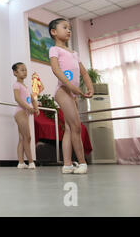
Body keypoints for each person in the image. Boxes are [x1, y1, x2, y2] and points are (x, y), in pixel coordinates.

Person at [48, 18, 93, 174]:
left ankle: (67, 165)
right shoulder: (55, 50)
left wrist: (90, 87)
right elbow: (56, 70)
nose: (69, 30)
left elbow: (84, 72)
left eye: (70, 28)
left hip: (72, 93)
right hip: (62, 91)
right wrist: (72, 87)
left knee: (68, 128)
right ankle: (82, 163)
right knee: (76, 127)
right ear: (54, 32)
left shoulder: (74, 53)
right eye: (65, 27)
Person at [12, 62, 39, 169]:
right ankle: (31, 162)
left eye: (25, 70)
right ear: (15, 73)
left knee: (22, 138)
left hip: (25, 113)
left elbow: (32, 99)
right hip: (20, 112)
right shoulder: (16, 85)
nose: (25, 72)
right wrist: (29, 108)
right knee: (27, 137)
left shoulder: (25, 86)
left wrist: (36, 108)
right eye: (22, 70)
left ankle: (21, 163)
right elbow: (17, 99)